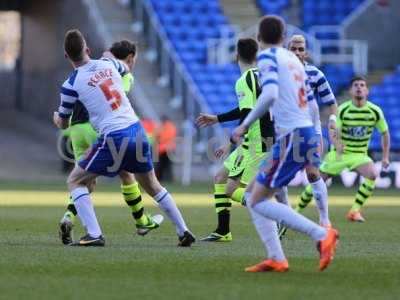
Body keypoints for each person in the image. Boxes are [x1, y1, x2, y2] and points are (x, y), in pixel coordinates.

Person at [54, 29, 195, 247]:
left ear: (66, 56)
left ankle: (94, 233)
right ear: (88, 49)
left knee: (75, 180)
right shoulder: (110, 65)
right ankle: (183, 230)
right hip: (137, 131)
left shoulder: (70, 84)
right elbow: (125, 69)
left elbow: (64, 123)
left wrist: (57, 117)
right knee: (153, 185)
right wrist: (108, 58)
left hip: (112, 136)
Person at [231, 15, 339, 272]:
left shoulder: (268, 58)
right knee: (256, 195)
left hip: (293, 135)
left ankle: (321, 234)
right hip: (305, 132)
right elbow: (310, 102)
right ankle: (277, 257)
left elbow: (270, 94)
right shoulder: (294, 61)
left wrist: (245, 123)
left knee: (255, 199)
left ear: (259, 39)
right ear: (282, 38)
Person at [196, 38, 284, 242]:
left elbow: (246, 113)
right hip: (261, 137)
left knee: (231, 189)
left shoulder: (244, 79)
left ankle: (278, 214)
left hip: (256, 141)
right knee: (220, 178)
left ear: (236, 56)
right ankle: (223, 230)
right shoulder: (263, 76)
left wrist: (231, 141)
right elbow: (248, 109)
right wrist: (217, 118)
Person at [295, 76, 390, 222]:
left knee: (372, 174)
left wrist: (385, 157)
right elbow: (332, 129)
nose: (359, 87)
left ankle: (354, 211)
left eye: (362, 85)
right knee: (316, 179)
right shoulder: (343, 110)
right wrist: (337, 143)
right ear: (350, 91)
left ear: (367, 90)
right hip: (339, 154)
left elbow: (385, 133)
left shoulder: (375, 111)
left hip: (359, 155)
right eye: (356, 85)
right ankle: (297, 211)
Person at [277, 34, 338, 238]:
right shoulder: (280, 74)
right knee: (279, 179)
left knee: (313, 174)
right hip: (285, 131)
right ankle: (284, 218)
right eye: (293, 48)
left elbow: (331, 103)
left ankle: (324, 219)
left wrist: (331, 122)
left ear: (307, 52)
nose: (297, 52)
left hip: (311, 130)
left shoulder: (315, 74)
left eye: (300, 49)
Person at [155, 115, 177, 182]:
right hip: (168, 149)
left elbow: (161, 137)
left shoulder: (165, 126)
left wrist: (159, 139)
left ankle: (160, 178)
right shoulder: (170, 126)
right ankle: (168, 178)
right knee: (166, 165)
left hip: (164, 149)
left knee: (162, 165)